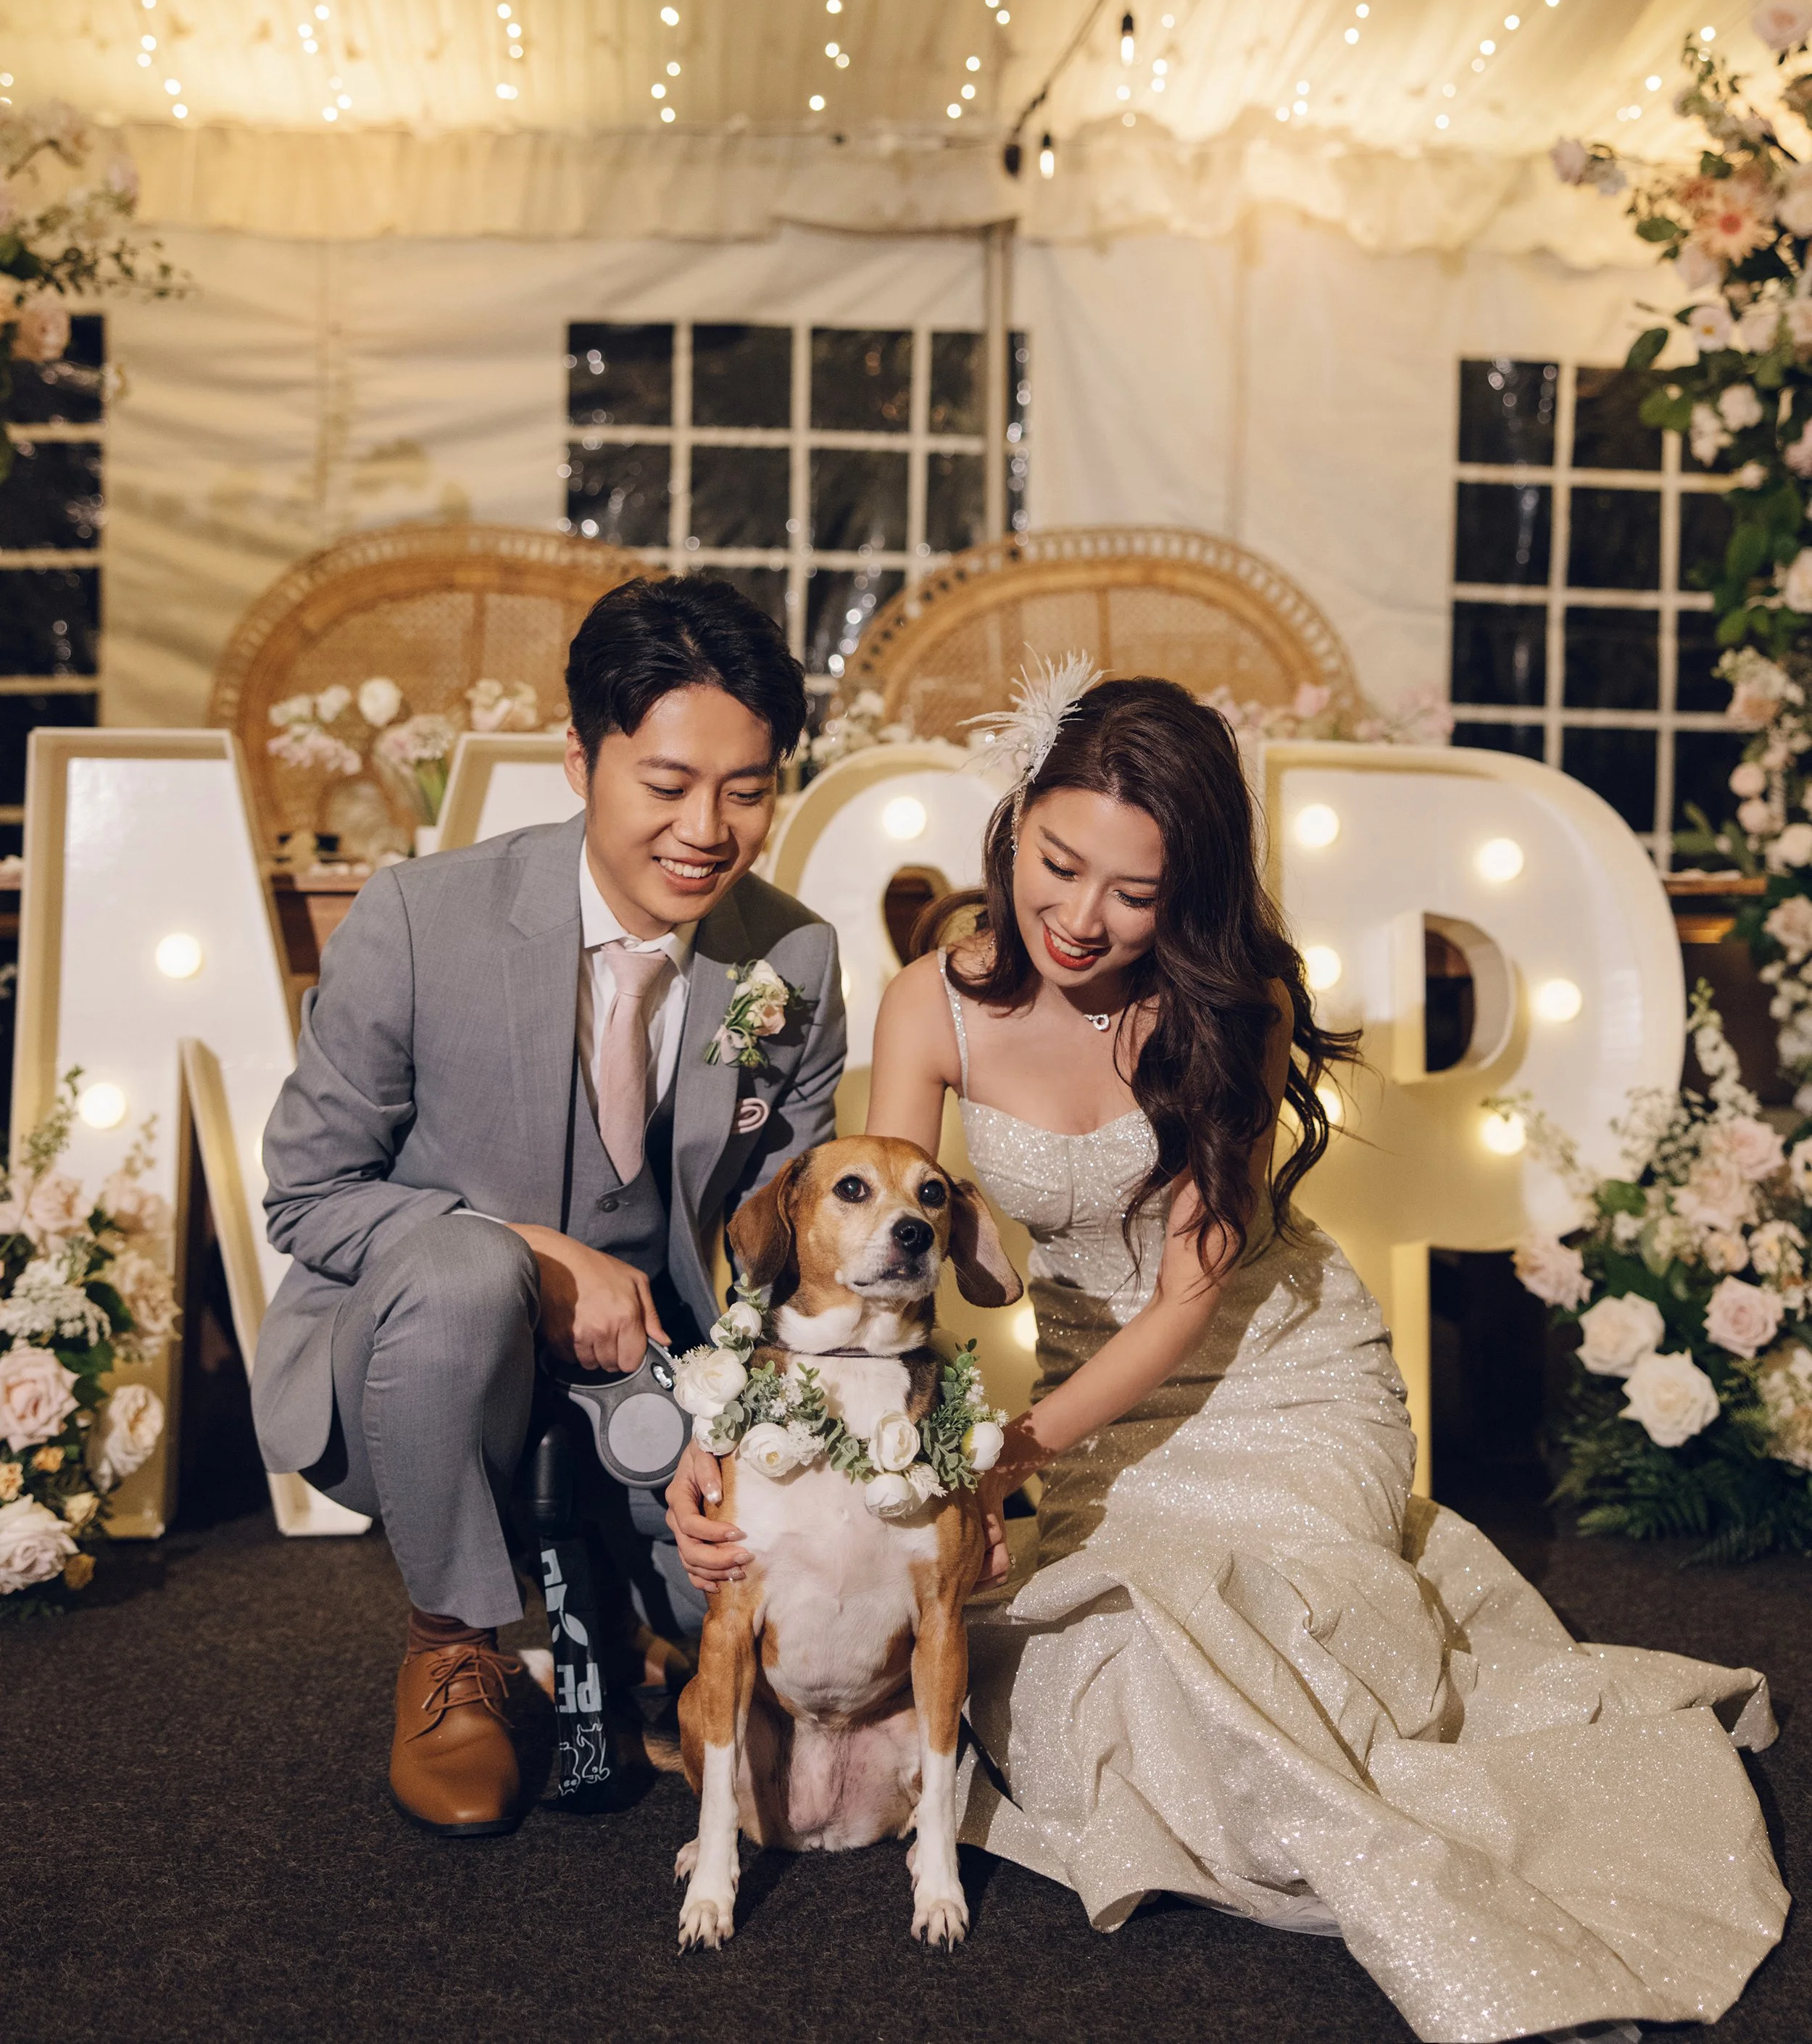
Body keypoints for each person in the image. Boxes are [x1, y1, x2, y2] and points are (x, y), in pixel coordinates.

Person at [673, 665, 1787, 2039]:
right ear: (1015, 826)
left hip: (1275, 1373)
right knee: (1086, 1679)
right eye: (1058, 865)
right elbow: (878, 1250)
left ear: (1186, 896)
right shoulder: (929, 1004)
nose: (1080, 920)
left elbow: (1189, 1306)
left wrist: (1004, 1456)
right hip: (1087, 1380)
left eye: (1131, 895)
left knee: (1251, 1658)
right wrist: (762, 1438)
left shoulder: (1235, 1006)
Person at [252, 575, 845, 1837]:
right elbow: (308, 1197)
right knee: (471, 1278)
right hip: (430, 1359)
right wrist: (527, 1251)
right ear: (580, 758)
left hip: (657, 1381)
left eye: (747, 791)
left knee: (801, 1659)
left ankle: (621, 1618)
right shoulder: (418, 920)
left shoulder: (791, 958)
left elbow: (788, 1251)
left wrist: (739, 1432)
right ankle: (452, 1643)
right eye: (669, 785)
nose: (708, 829)